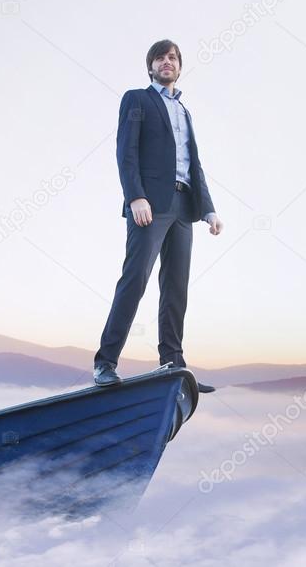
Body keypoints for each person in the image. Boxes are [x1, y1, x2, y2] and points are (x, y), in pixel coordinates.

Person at [93, 39, 223, 387]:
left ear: (179, 67)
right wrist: (136, 196)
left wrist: (208, 209)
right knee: (135, 279)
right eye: (160, 58)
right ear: (150, 66)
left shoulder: (185, 111)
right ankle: (105, 363)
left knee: (176, 287)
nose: (167, 62)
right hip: (149, 205)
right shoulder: (137, 99)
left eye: (173, 58)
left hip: (184, 207)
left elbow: (194, 164)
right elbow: (126, 152)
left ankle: (172, 364)